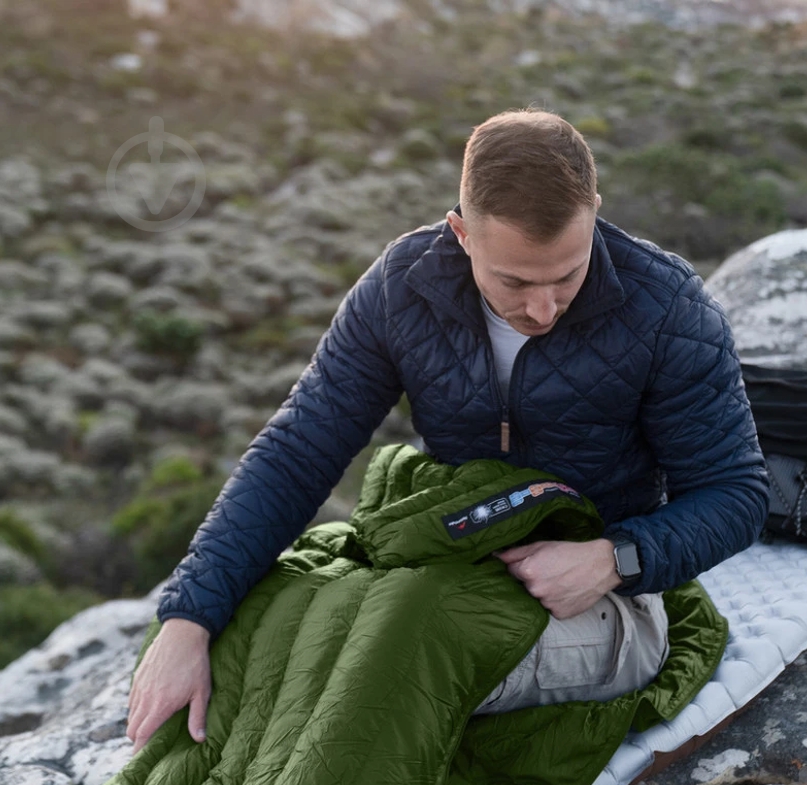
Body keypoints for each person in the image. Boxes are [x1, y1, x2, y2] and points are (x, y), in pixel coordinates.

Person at [127, 109, 769, 752]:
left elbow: (735, 493)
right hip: (453, 552)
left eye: (568, 275)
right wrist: (189, 618)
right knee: (256, 636)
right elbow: (299, 450)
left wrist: (612, 559)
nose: (543, 309)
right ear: (461, 234)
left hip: (607, 595)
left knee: (386, 664)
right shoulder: (403, 287)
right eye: (514, 281)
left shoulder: (668, 309)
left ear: (595, 211)